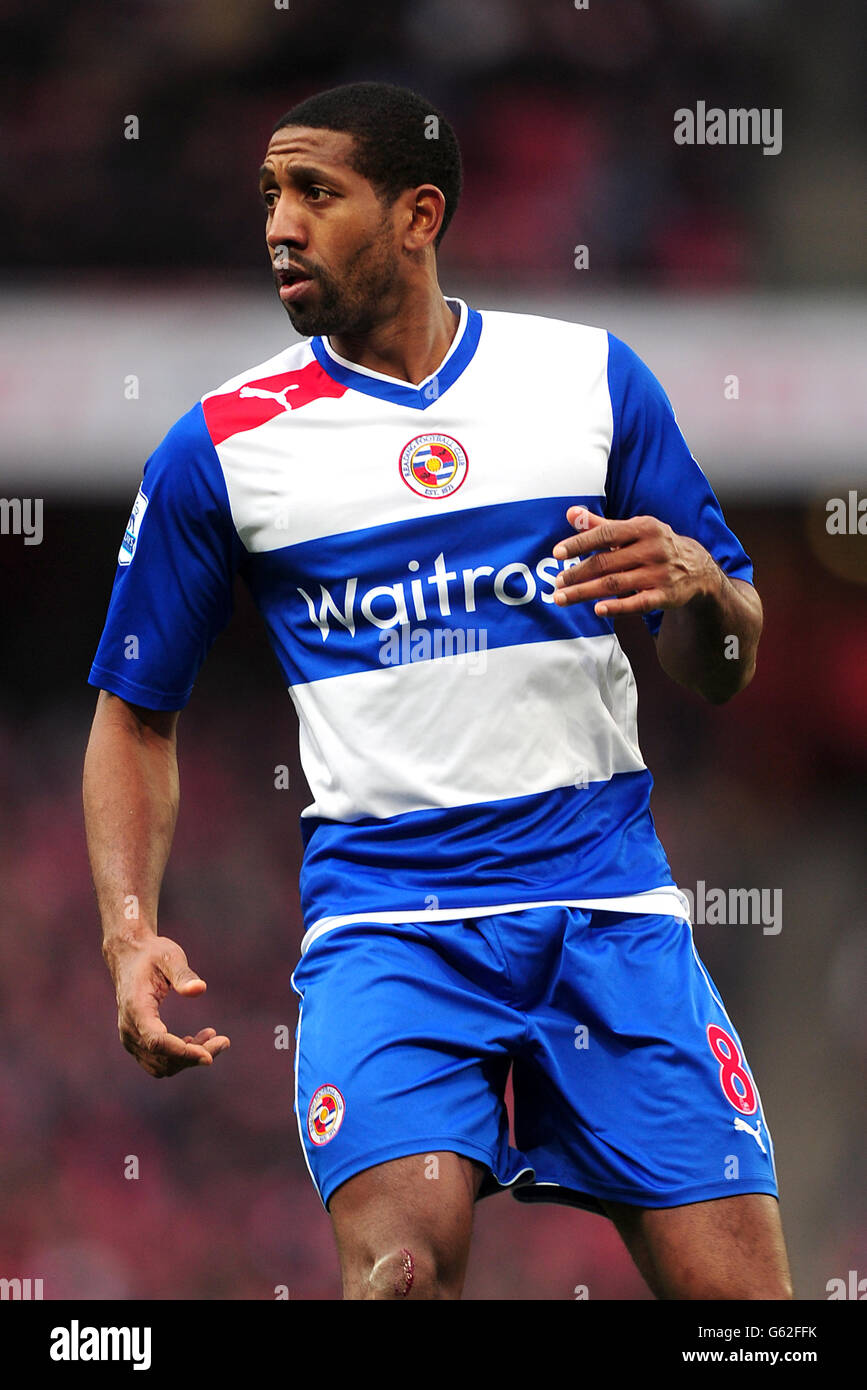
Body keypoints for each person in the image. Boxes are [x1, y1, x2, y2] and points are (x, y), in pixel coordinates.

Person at [83, 81, 792, 1301]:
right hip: (390, 929)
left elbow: (724, 669)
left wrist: (700, 589)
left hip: (609, 907)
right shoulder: (221, 446)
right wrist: (127, 929)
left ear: (420, 214)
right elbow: (134, 712)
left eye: (316, 192)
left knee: (751, 1317)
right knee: (400, 1276)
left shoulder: (589, 380)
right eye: (269, 196)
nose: (280, 225)